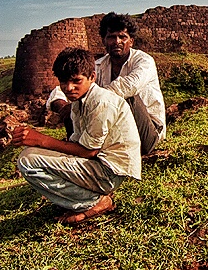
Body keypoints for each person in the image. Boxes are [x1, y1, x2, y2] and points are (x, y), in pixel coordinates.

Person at [12, 47, 141, 224]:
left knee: (28, 162)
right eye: (63, 82)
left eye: (76, 81)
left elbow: (89, 151)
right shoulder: (79, 103)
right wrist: (36, 142)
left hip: (108, 173)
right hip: (97, 166)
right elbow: (76, 144)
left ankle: (94, 202)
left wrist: (41, 140)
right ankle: (86, 197)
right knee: (30, 154)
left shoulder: (101, 102)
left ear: (92, 77)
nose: (69, 88)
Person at [47, 12, 166, 155]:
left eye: (122, 37)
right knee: (77, 101)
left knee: (127, 98)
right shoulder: (98, 66)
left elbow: (128, 87)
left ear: (131, 41)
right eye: (111, 37)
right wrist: (63, 105)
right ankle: (78, 149)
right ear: (104, 40)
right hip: (117, 131)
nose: (117, 42)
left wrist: (89, 98)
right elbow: (63, 89)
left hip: (147, 131)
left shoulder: (144, 61)